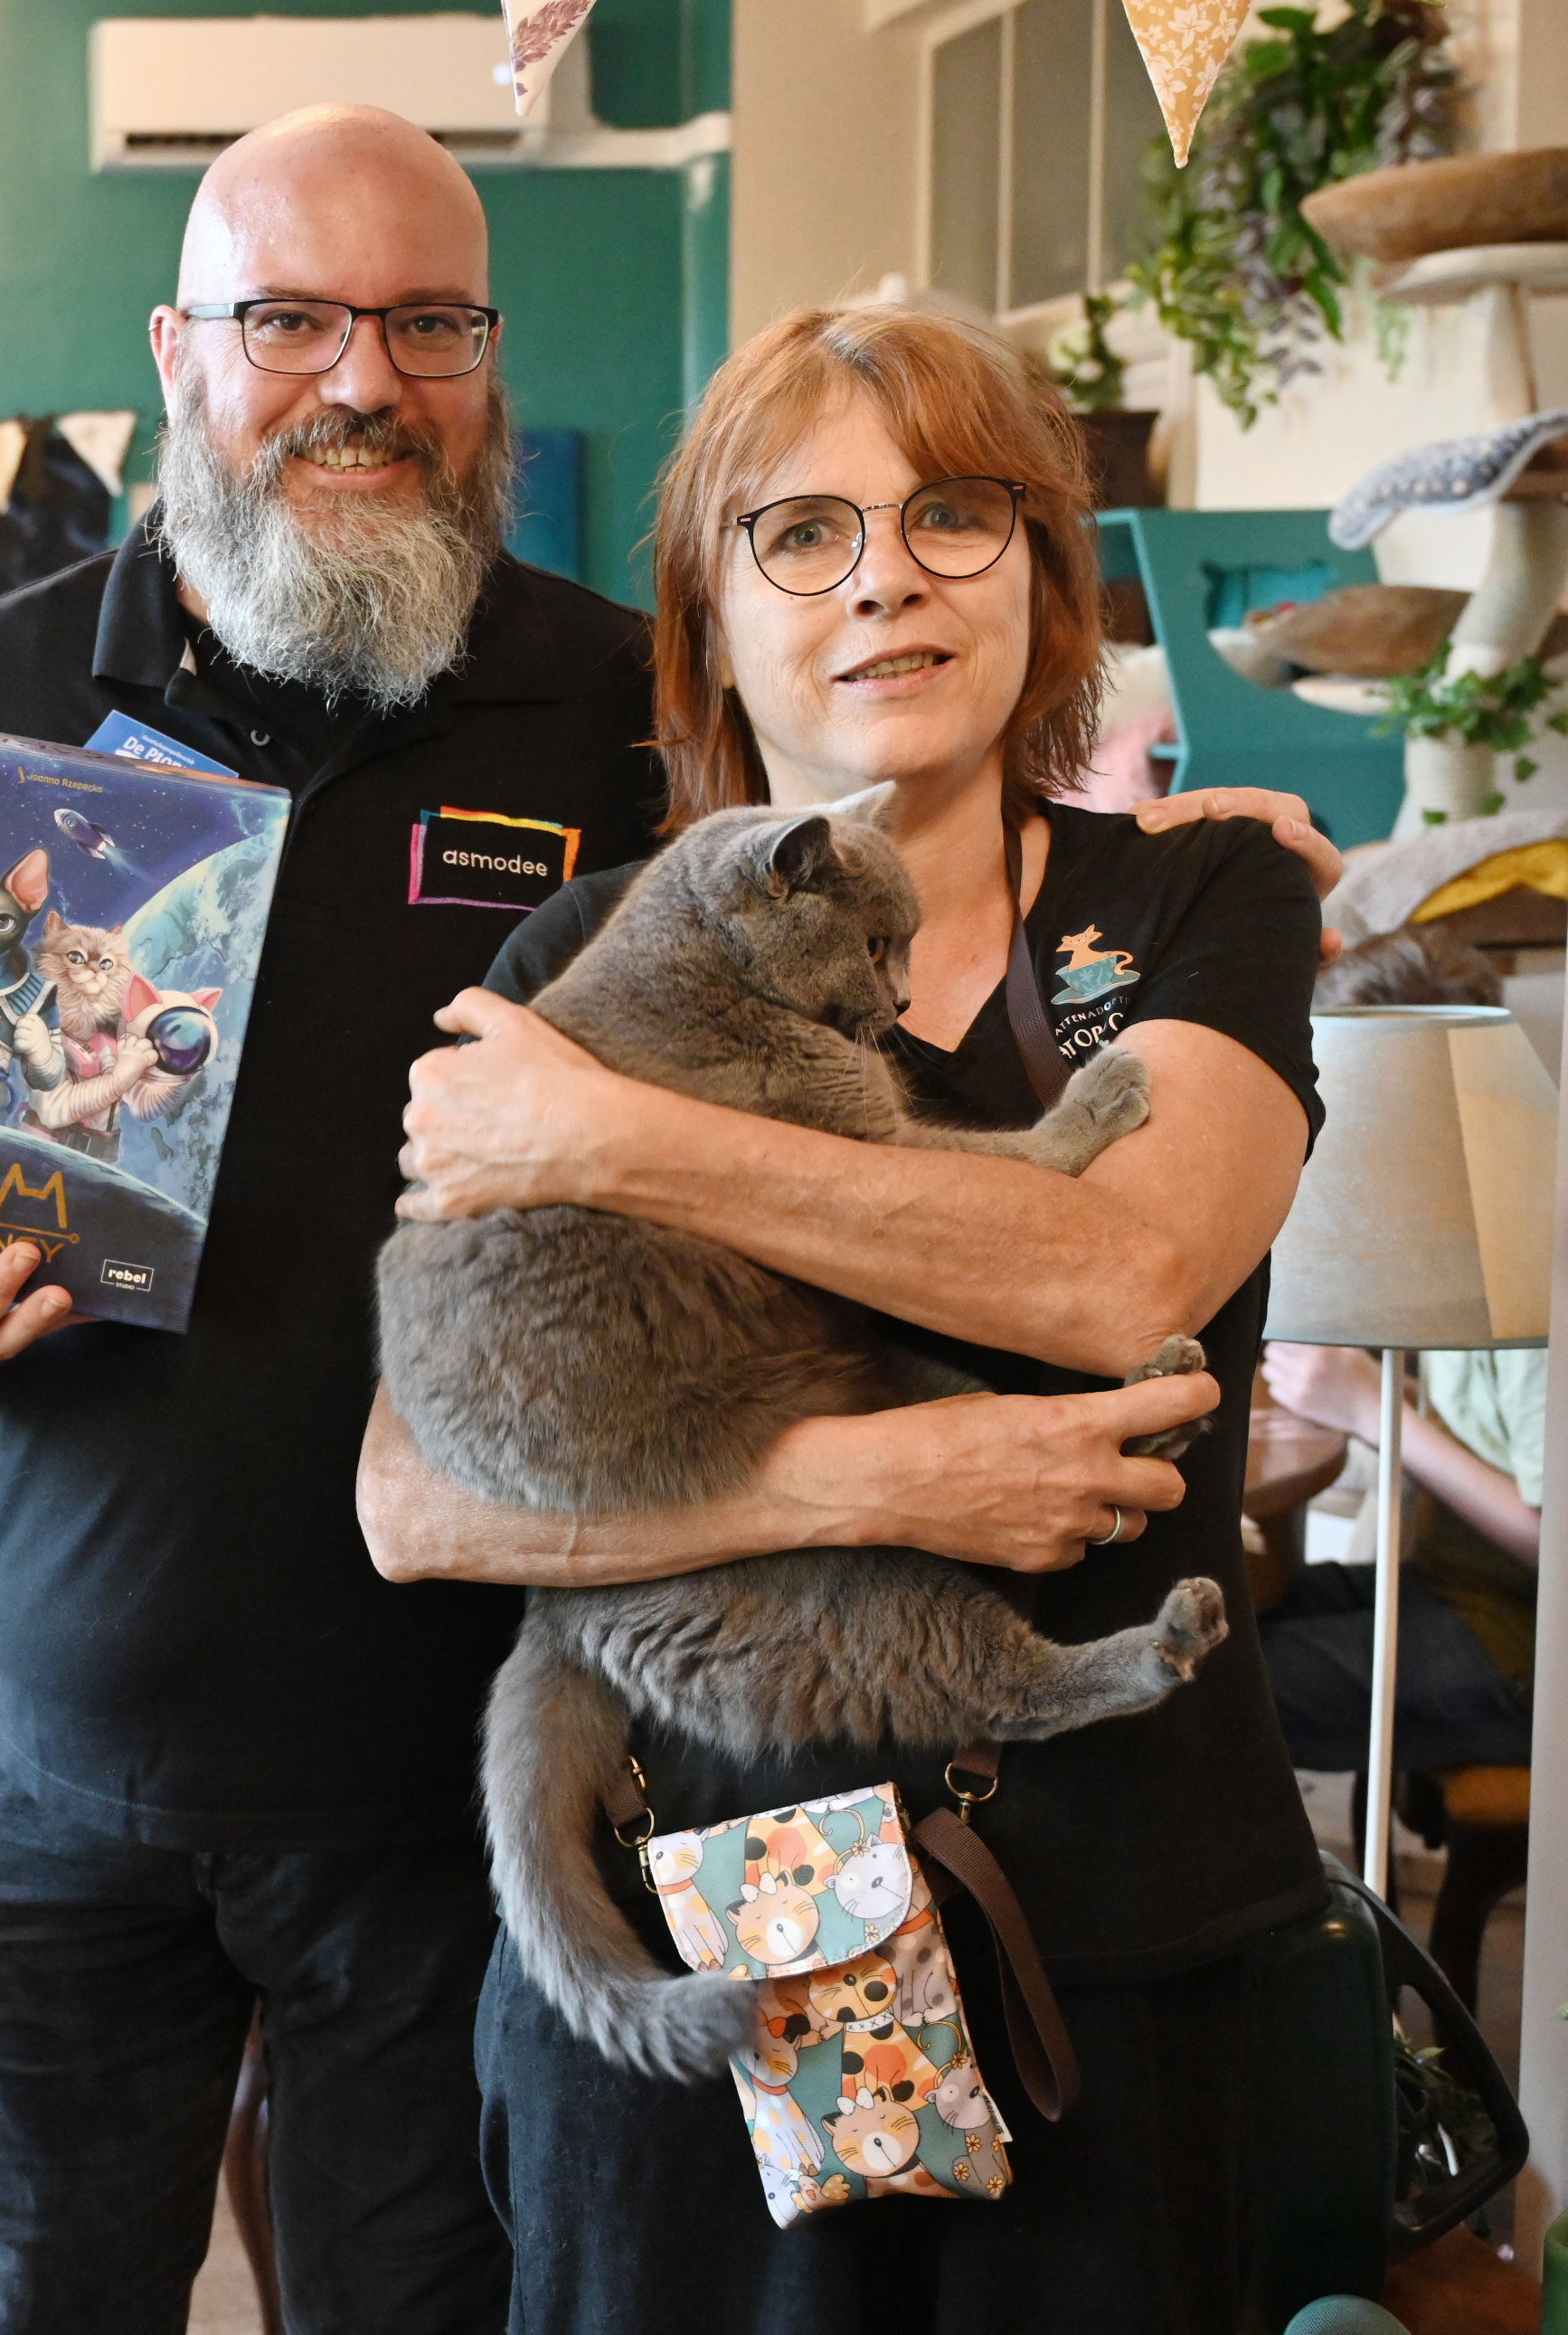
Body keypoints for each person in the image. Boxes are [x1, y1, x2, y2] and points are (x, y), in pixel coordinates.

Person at [0, 103, 666, 2333]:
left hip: (451, 1778)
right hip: (50, 1749)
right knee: (48, 2298)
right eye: (288, 318)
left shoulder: (634, 709)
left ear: (483, 355)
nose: (358, 378)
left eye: (422, 321)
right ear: (176, 349)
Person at [359, 302, 1338, 2330]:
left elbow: (1118, 1271)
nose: (884, 573)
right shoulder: (578, 960)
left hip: (1115, 1921)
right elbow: (419, 1498)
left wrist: (614, 1141)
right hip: (717, 1901)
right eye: (799, 532)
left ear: (1047, 581)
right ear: (710, 624)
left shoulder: (1199, 902)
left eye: (954, 515)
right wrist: (884, 1473)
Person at [1261, 925, 1538, 1780]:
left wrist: (1370, 1408)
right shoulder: (1457, 1214)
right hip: (1456, 1587)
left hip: (1524, 1641)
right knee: (1210, 1628)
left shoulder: (1535, 1261)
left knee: (1216, 1695)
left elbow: (1548, 1540)